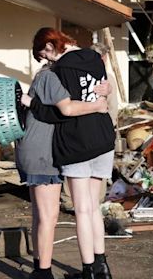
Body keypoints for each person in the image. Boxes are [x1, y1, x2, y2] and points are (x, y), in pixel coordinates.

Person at [23, 27, 115, 279]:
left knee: (83, 209)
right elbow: (104, 87)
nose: (46, 60)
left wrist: (33, 104)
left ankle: (88, 271)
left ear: (51, 47)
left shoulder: (59, 71)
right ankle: (102, 268)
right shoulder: (95, 58)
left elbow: (65, 109)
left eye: (44, 55)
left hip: (78, 142)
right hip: (104, 138)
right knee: (95, 207)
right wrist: (102, 98)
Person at [61, 42, 118, 212]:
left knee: (76, 168)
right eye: (104, 59)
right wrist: (111, 126)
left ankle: (70, 200)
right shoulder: (104, 78)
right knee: (93, 173)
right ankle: (92, 202)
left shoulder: (73, 75)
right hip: (98, 129)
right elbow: (112, 107)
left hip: (78, 128)